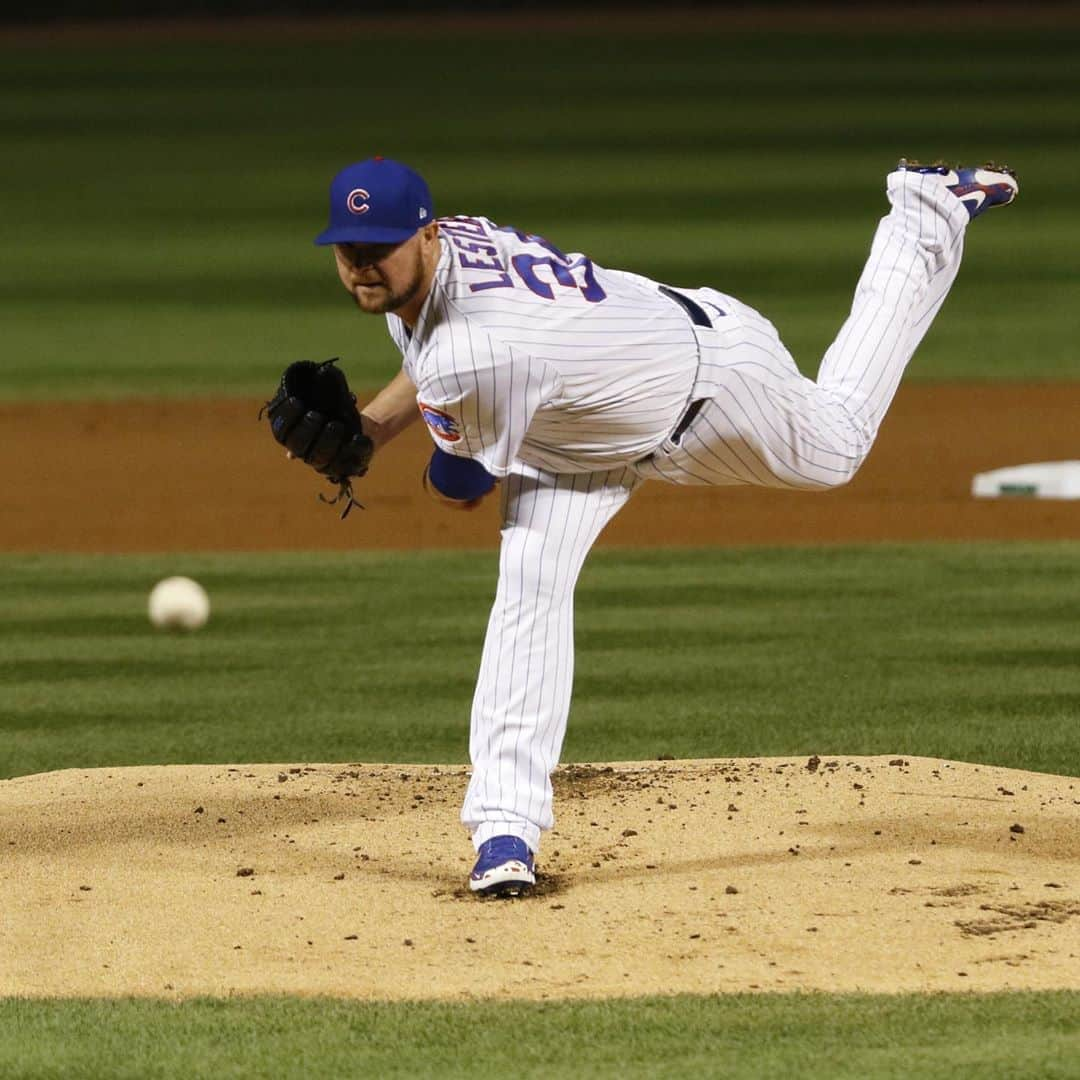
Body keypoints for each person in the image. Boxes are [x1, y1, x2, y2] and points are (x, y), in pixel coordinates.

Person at [308, 154, 1018, 896]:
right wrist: (368, 429)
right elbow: (437, 362)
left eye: (379, 248)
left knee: (837, 445)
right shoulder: (452, 250)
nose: (363, 267)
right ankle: (503, 831)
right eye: (349, 250)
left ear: (425, 237)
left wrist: (367, 443)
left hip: (711, 383)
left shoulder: (475, 349)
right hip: (580, 418)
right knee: (529, 583)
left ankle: (923, 212)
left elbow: (460, 484)